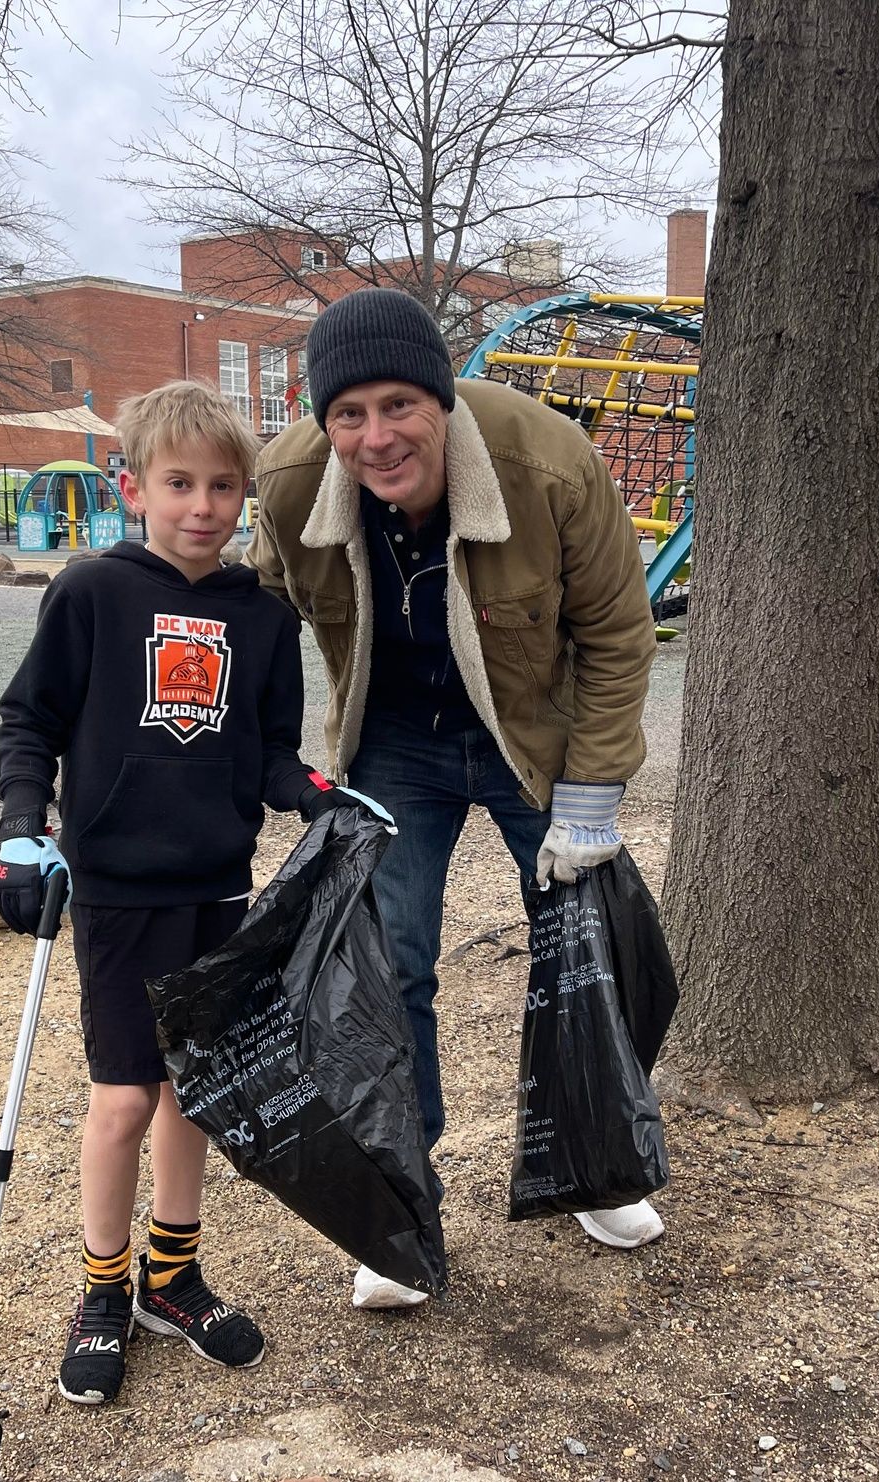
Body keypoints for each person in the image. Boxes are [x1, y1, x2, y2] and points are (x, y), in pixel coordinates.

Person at [250, 287, 663, 1310]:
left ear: (439, 398)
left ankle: (594, 1164)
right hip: (393, 741)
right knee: (386, 971)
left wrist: (592, 794)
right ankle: (396, 1197)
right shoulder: (292, 480)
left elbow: (617, 634)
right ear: (323, 419)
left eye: (398, 406)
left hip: (533, 729)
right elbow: (259, 617)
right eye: (348, 413)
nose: (375, 437)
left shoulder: (549, 461)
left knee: (590, 947)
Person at [0, 380, 369, 1404]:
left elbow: (267, 757)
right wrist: (19, 831)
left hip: (215, 889)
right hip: (116, 892)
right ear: (135, 487)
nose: (202, 506)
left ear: (244, 495)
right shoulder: (91, 593)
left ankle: (172, 1274)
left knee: (190, 1095)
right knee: (122, 1098)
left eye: (222, 487)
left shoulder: (259, 615)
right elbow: (28, 720)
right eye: (178, 483)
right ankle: (102, 1286)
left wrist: (319, 797)